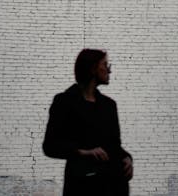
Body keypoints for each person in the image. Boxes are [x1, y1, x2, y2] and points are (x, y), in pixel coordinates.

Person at [43, 49, 133, 195]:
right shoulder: (64, 101)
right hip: (83, 187)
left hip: (114, 187)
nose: (109, 70)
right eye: (105, 64)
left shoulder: (109, 105)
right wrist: (83, 152)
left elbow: (114, 146)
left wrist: (127, 157)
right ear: (92, 68)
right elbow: (50, 146)